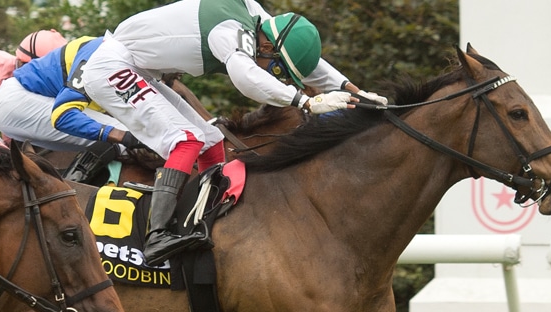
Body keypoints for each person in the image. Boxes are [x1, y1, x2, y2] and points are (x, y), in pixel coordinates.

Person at [78, 2, 387, 266]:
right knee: (186, 140)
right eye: (276, 69)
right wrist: (306, 102)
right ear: (267, 48)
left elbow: (309, 62)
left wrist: (355, 91)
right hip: (113, 67)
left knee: (211, 141)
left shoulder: (260, 20)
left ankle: (200, 222)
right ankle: (156, 236)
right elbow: (246, 77)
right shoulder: (228, 31)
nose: (273, 74)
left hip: (142, 69)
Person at [0, 34, 146, 156]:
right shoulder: (98, 55)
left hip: (14, 107)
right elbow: (64, 116)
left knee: (110, 142)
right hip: (17, 102)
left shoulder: (119, 55)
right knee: (127, 136)